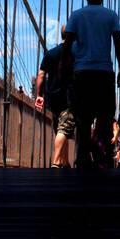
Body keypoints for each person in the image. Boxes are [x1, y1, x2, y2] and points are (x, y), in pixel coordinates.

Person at [64, 0, 120, 170]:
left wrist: (64, 70)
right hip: (104, 72)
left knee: (83, 118)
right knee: (105, 116)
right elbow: (118, 43)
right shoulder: (111, 15)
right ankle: (103, 157)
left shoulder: (76, 15)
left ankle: (82, 158)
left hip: (82, 73)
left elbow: (67, 45)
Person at [36, 39, 75, 168]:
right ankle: (56, 162)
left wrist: (39, 95)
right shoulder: (75, 52)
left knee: (60, 130)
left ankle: (65, 162)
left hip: (52, 97)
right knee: (63, 130)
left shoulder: (50, 54)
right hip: (68, 97)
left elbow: (41, 75)